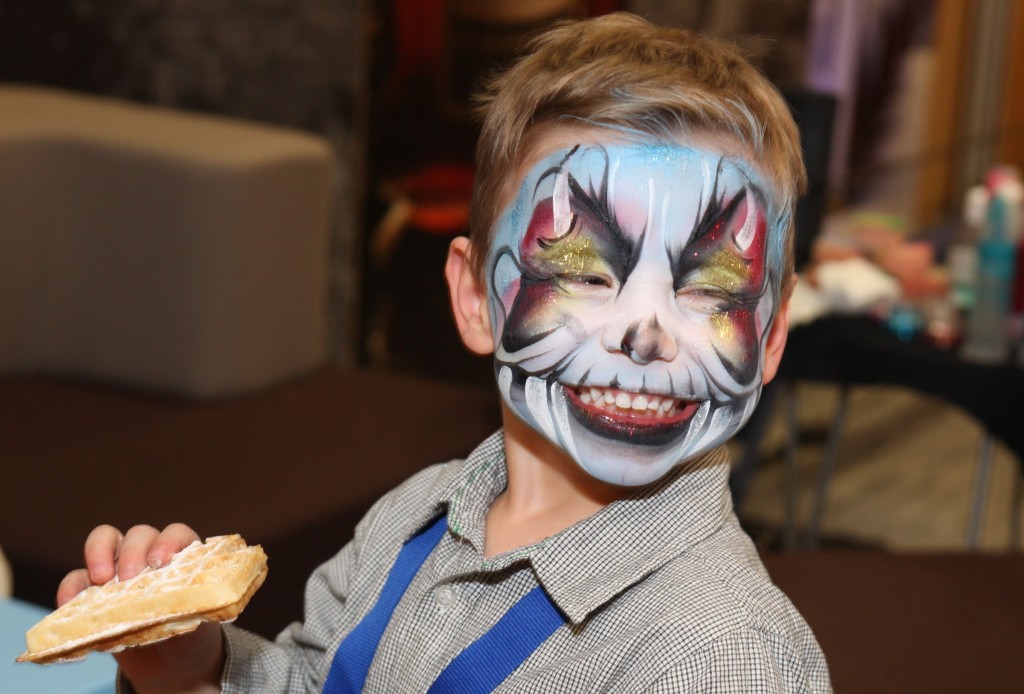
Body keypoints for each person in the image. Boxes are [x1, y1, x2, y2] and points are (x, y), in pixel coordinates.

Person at [58, 12, 831, 693]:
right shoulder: (415, 515)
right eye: (586, 274)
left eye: (709, 291)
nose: (645, 333)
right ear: (473, 299)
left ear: (770, 335)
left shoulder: (723, 659)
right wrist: (196, 671)